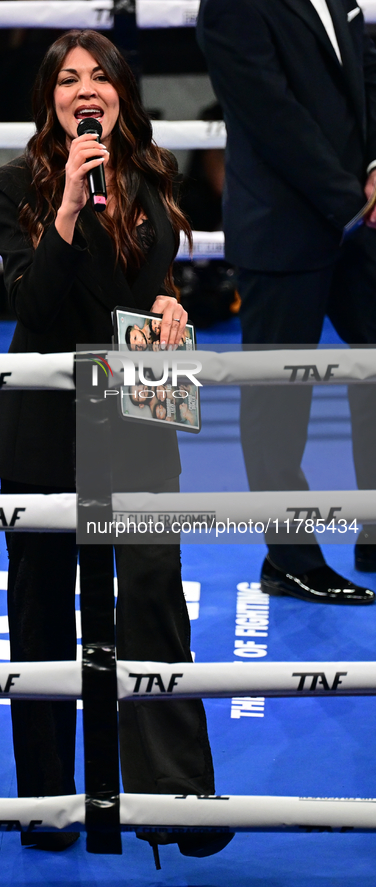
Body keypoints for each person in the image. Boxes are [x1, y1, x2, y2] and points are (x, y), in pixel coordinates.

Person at [0, 29, 233, 860]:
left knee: (157, 590)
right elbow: (36, 310)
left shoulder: (150, 174)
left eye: (99, 76)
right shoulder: (15, 183)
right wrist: (63, 206)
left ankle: (178, 793)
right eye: (67, 78)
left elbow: (150, 284)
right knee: (42, 612)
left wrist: (171, 308)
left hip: (140, 400)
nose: (82, 90)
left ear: (121, 93)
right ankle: (51, 799)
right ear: (48, 98)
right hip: (49, 417)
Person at [197, 0, 376, 604]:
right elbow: (271, 115)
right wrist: (352, 200)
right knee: (278, 402)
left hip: (354, 214)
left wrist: (375, 167)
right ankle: (290, 556)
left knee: (373, 366)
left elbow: (366, 76)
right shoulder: (232, 5)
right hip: (285, 226)